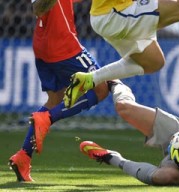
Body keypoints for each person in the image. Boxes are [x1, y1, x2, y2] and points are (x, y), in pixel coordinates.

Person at [8, 0, 110, 182]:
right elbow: (38, 7)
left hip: (43, 45)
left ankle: (23, 157)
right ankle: (48, 118)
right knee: (102, 88)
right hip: (63, 45)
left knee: (55, 101)